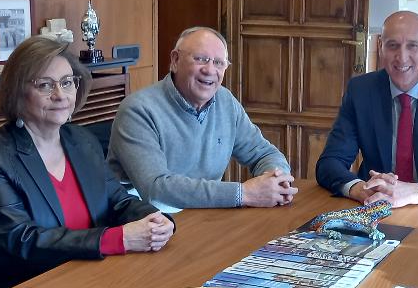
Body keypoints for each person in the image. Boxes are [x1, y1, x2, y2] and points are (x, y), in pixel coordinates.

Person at [0, 36, 173, 288]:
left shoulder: (82, 141)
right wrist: (119, 238)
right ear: (18, 91)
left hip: (83, 280)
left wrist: (156, 220)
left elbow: (118, 202)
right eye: (45, 85)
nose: (60, 95)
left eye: (67, 83)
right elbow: (25, 240)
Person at [108, 27, 296, 211]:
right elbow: (156, 188)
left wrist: (277, 181)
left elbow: (264, 153)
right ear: (175, 60)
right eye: (200, 59)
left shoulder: (225, 101)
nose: (210, 70)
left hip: (204, 213)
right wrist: (243, 193)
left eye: (219, 63)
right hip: (145, 220)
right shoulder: (138, 109)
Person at [315, 10, 418, 207]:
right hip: (374, 206)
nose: (402, 58)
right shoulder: (361, 91)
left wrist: (417, 191)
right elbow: (329, 164)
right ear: (380, 47)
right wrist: (359, 189)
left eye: (412, 46)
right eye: (392, 45)